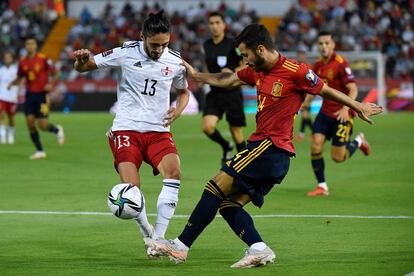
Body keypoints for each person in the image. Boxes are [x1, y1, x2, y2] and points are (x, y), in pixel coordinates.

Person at [145, 24, 382, 268]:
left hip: (269, 147)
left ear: (260, 49)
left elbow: (326, 90)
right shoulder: (257, 71)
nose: (245, 61)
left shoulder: (296, 71)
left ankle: (181, 246)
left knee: (214, 187)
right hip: (275, 157)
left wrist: (357, 105)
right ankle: (259, 248)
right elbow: (227, 80)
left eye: (246, 55)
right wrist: (196, 76)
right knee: (228, 204)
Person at [72, 10, 190, 258]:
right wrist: (82, 60)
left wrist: (178, 111)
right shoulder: (125, 53)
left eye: (164, 44)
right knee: (131, 189)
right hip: (126, 128)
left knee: (174, 172)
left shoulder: (175, 61)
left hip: (158, 131)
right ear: (142, 36)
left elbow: (183, 92)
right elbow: (84, 67)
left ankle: (158, 238)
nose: (159, 49)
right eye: (154, 44)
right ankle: (146, 230)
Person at [305, 31, 370, 197]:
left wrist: (346, 108)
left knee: (338, 157)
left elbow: (353, 88)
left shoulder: (341, 63)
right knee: (315, 145)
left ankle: (359, 140)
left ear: (333, 45)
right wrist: (306, 102)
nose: (323, 46)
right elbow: (315, 89)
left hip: (342, 115)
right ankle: (322, 186)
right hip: (324, 113)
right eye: (320, 43)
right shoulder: (318, 65)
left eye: (327, 43)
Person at [8, 36, 64, 159]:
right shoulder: (22, 62)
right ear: (25, 46)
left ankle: (56, 130)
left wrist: (51, 84)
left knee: (42, 125)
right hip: (29, 96)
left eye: (32, 44)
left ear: (35, 46)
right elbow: (19, 77)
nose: (30, 46)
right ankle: (39, 150)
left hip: (41, 96)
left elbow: (57, 73)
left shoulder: (43, 59)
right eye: (28, 44)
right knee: (30, 123)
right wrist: (11, 84)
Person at [202, 11, 246, 164]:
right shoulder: (206, 45)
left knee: (236, 132)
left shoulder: (233, 45)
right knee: (207, 127)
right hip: (215, 93)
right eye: (211, 23)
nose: (214, 26)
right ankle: (226, 146)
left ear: (224, 25)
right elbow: (207, 65)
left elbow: (245, 64)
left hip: (232, 92)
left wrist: (232, 73)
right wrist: (206, 79)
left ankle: (244, 164)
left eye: (217, 23)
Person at [0, 52, 19, 144]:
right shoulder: (1, 70)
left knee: (11, 117)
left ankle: (11, 134)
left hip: (12, 97)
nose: (7, 59)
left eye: (9, 58)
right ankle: (2, 135)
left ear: (12, 59)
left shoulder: (15, 71)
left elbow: (19, 82)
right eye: (5, 58)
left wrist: (17, 95)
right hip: (2, 96)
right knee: (2, 115)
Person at [295, 48, 313, 142]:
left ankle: (301, 134)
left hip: (307, 94)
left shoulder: (308, 66)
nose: (300, 56)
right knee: (305, 115)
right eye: (299, 54)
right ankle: (314, 132)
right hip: (299, 94)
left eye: (301, 54)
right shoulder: (295, 65)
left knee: (305, 114)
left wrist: (310, 96)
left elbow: (312, 81)